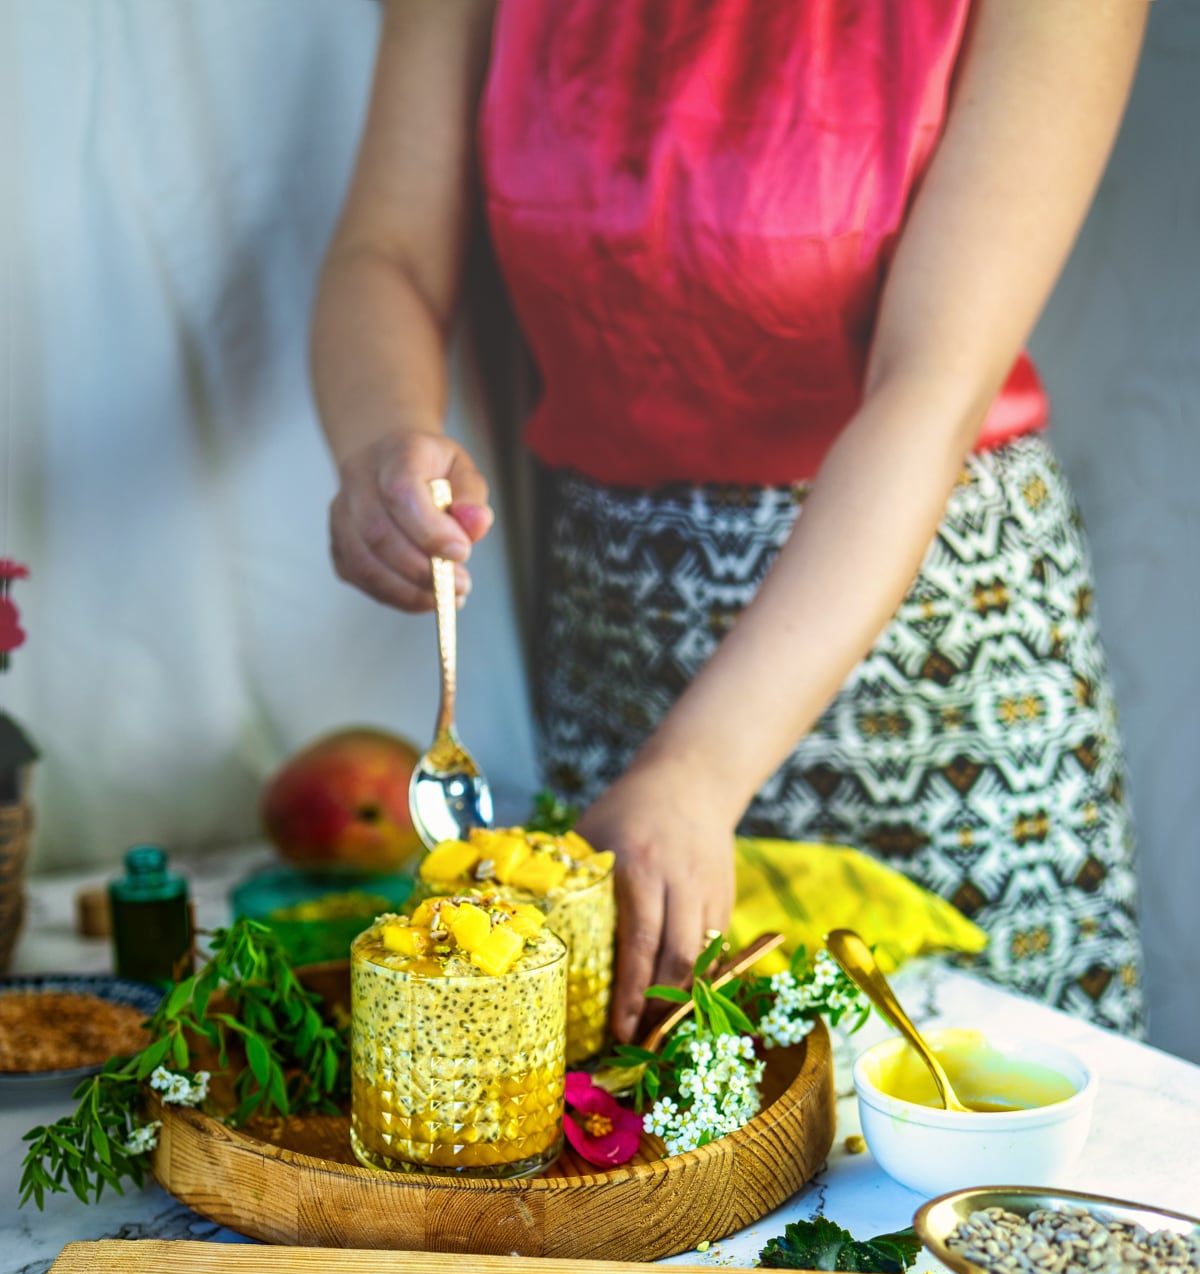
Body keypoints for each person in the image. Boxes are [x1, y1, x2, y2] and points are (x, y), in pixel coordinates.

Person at [312, 0, 1149, 1043]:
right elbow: (384, 251)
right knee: (636, 1135)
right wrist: (381, 439)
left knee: (959, 1133)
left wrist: (698, 772)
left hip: (927, 650)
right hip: (620, 628)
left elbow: (928, 390)